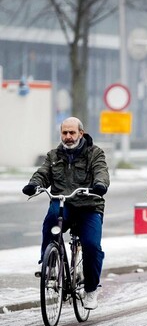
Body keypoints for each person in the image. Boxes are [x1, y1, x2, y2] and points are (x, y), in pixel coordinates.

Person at [22, 117, 110, 310]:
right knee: (52, 219)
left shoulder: (94, 153)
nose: (68, 137)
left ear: (81, 132)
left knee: (91, 245)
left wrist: (100, 184)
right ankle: (50, 262)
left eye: (72, 133)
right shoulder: (54, 155)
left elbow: (101, 171)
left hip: (89, 206)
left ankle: (91, 289)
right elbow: (43, 173)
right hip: (64, 204)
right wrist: (34, 184)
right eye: (65, 133)